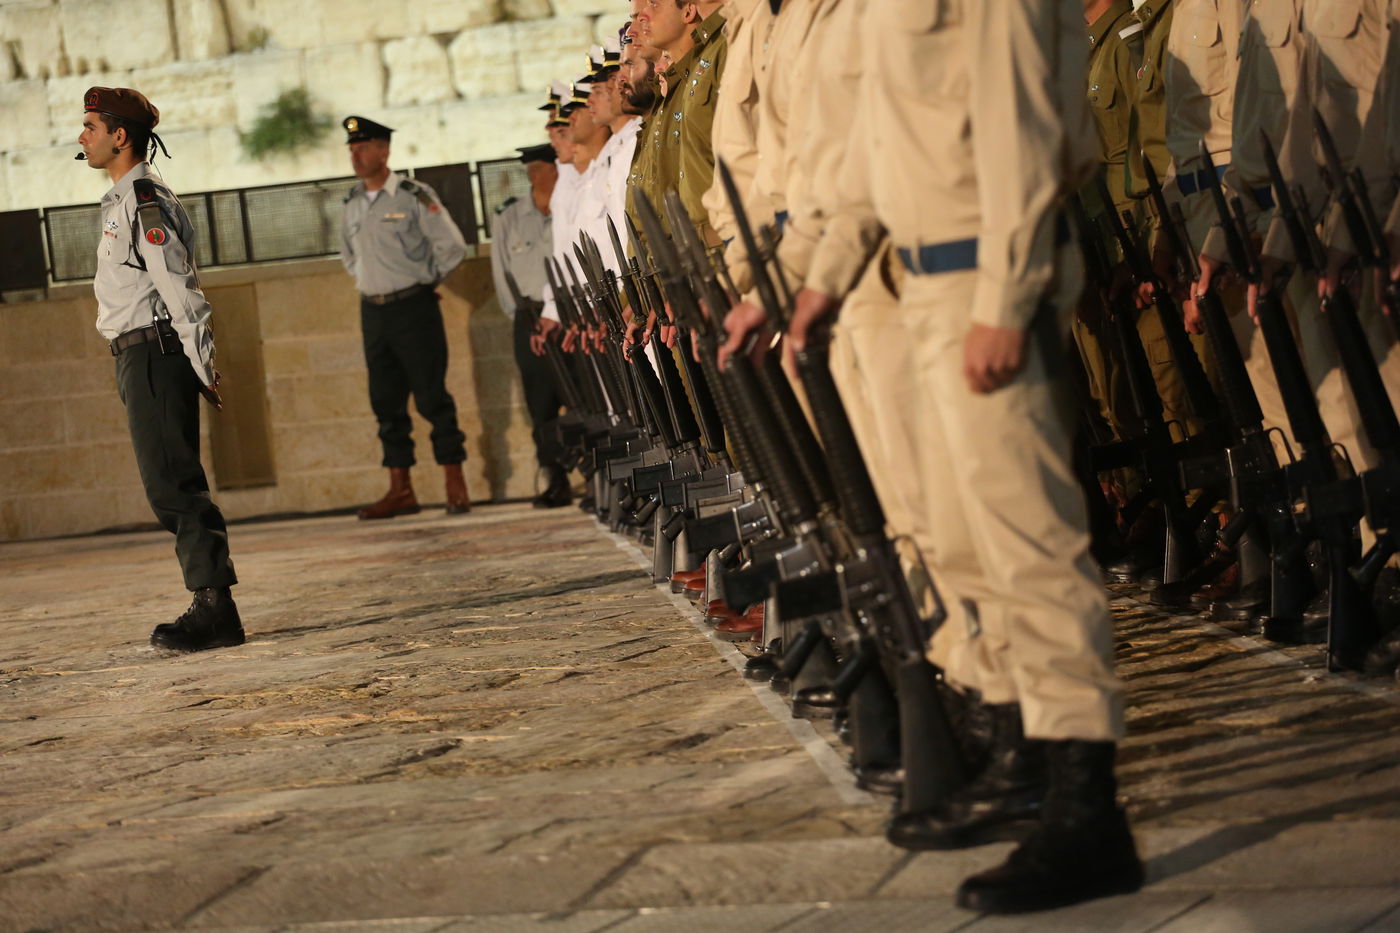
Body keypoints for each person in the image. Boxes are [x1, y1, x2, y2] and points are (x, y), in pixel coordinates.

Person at [786, 0, 1140, 912]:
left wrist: (1007, 293)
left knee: (1033, 546)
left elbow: (1024, 123)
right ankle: (1026, 760)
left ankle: (1087, 808)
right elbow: (876, 152)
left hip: (985, 279)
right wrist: (819, 284)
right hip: (921, 283)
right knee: (971, 542)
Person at [79, 86, 244, 653]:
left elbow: (180, 288)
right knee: (166, 483)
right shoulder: (124, 200)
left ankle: (214, 607)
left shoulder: (145, 199)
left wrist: (203, 364)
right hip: (136, 353)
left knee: (173, 484)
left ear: (120, 136)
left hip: (156, 352)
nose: (83, 137)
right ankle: (212, 601)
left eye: (91, 127)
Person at [339, 116, 471, 520]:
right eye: (352, 149)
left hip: (414, 308)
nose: (356, 155)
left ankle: (455, 481)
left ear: (384, 150)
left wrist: (425, 280)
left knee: (432, 396)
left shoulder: (414, 195)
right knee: (385, 401)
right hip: (373, 311)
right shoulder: (351, 202)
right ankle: (401, 490)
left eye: (363, 147)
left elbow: (452, 247)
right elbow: (348, 255)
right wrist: (369, 281)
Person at [491, 144, 572, 508]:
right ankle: (555, 476)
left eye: (540, 168)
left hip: (569, 314)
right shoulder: (509, 216)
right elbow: (501, 273)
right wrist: (524, 318)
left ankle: (603, 475)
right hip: (529, 317)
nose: (533, 176)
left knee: (581, 396)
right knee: (540, 405)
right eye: (530, 170)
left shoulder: (572, 206)